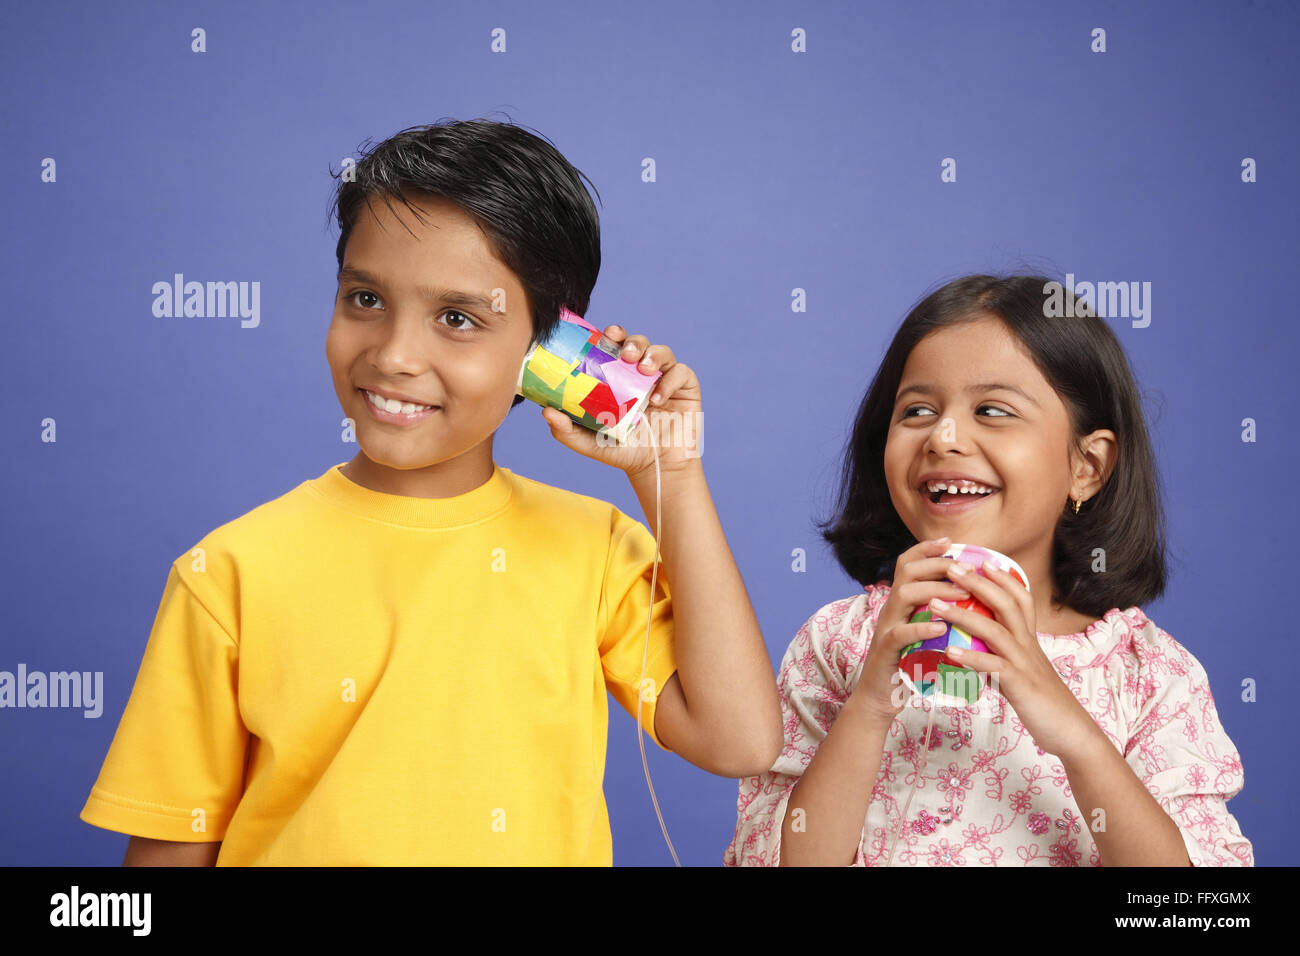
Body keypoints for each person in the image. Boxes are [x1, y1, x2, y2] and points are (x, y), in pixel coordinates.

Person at [80, 118, 782, 865]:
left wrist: (668, 471)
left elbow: (738, 739)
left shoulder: (596, 549)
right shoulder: (227, 572)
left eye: (456, 318)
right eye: (365, 299)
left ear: (548, 352)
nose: (395, 355)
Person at [725, 274, 1253, 866]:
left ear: (1088, 466)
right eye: (918, 410)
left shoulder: (1148, 676)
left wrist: (1075, 734)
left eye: (993, 410)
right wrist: (869, 706)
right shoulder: (839, 645)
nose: (944, 437)